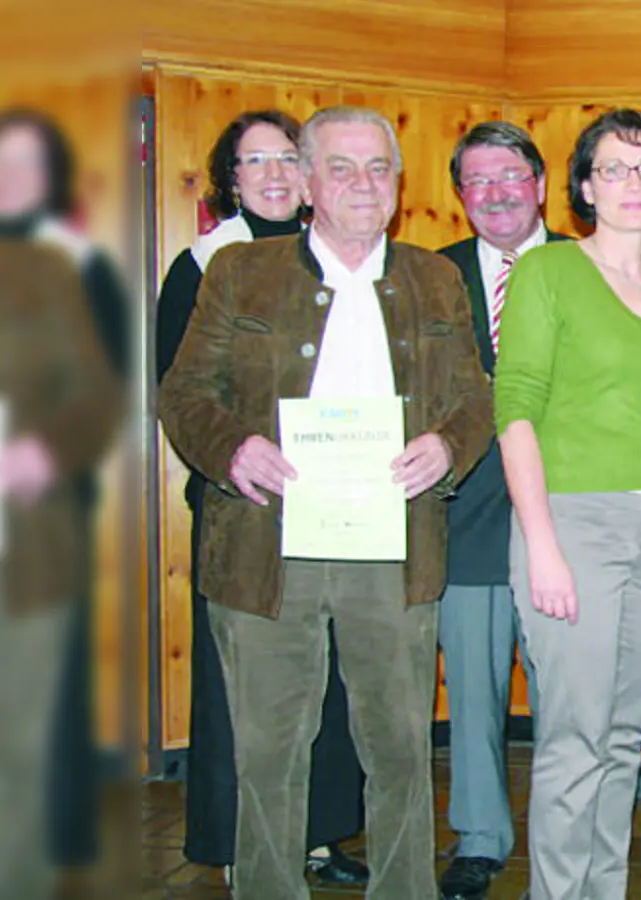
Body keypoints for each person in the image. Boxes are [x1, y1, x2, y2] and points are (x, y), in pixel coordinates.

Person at [159, 105, 494, 900]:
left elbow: (475, 400)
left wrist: (447, 447)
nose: (362, 184)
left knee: (401, 747)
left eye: (380, 168)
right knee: (270, 751)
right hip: (264, 553)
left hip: (395, 548)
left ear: (400, 184)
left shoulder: (434, 278)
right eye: (340, 167)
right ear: (307, 182)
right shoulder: (239, 273)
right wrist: (234, 448)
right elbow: (184, 395)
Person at [495, 107, 641, 900]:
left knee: (624, 738)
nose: (633, 183)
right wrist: (543, 544)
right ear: (585, 185)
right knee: (573, 737)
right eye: (614, 168)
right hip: (573, 524)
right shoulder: (547, 273)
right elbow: (514, 406)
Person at [153, 108, 369, 887]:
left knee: (332, 669)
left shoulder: (347, 258)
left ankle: (318, 835)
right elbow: (181, 393)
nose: (275, 175)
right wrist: (238, 455)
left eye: (288, 158)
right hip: (245, 502)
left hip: (339, 496)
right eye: (256, 162)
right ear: (229, 179)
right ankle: (240, 841)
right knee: (246, 683)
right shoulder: (204, 263)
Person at [433, 120, 570, 900]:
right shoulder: (430, 276)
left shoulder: (590, 268)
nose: (496, 193)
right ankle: (480, 838)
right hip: (467, 520)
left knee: (568, 695)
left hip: (571, 519)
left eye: (510, 176)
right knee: (475, 695)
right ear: (461, 196)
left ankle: (565, 830)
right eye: (477, 181)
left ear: (542, 183)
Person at [0, 106, 129, 875]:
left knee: (19, 741)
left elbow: (98, 395)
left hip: (31, 532)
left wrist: (46, 454)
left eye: (26, 165)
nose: (10, 179)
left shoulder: (63, 268)